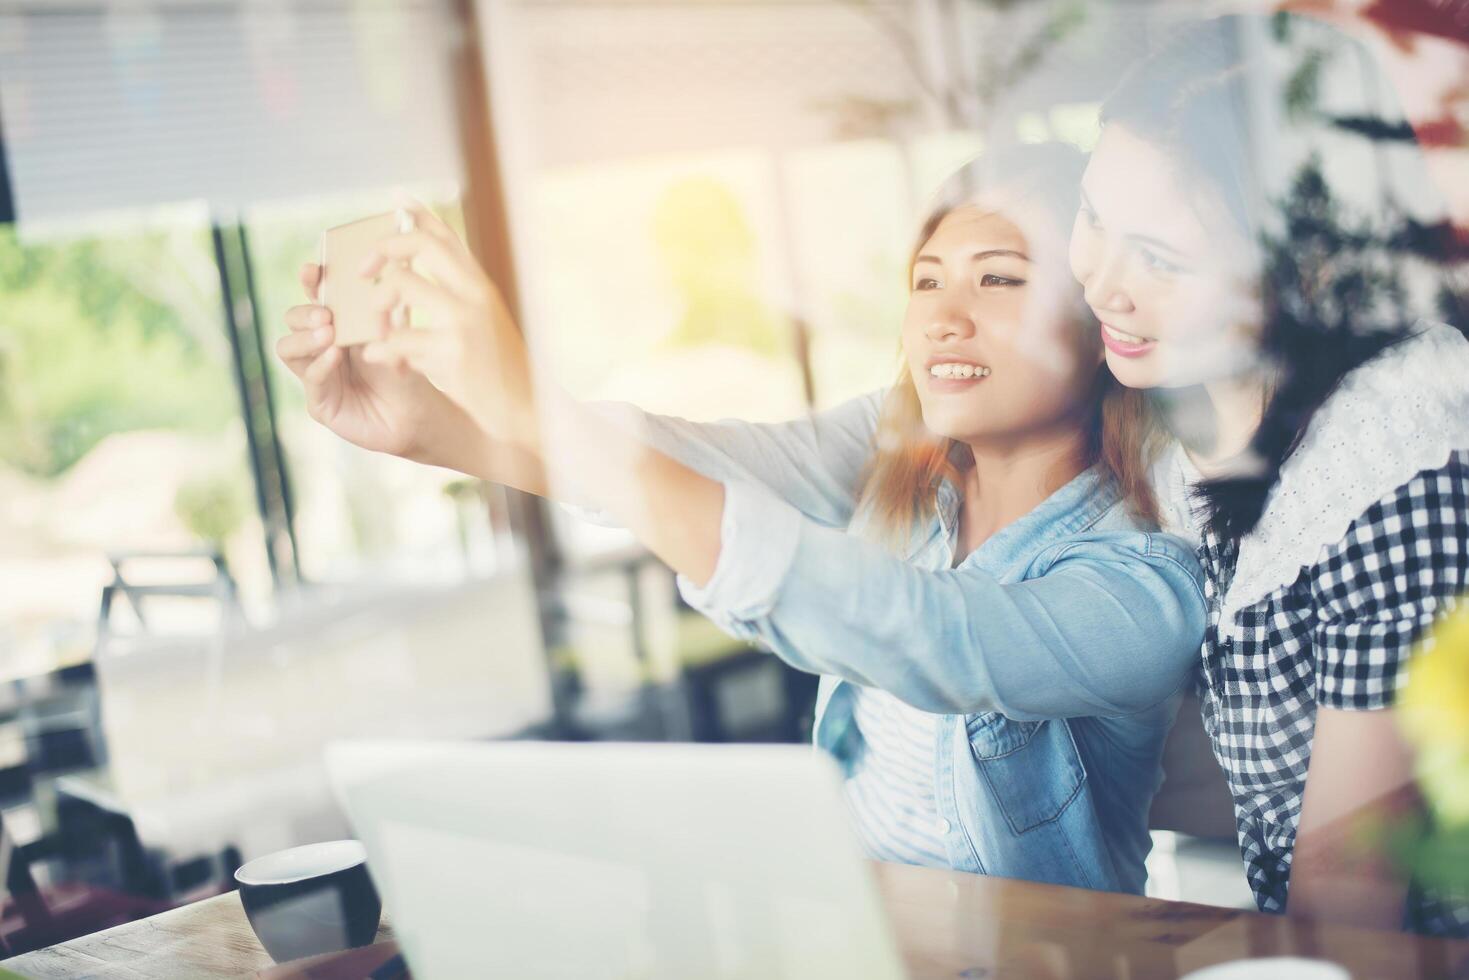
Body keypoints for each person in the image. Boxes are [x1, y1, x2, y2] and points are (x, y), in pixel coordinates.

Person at [276, 142, 1207, 894]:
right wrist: (437, 429)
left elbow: (921, 633)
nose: (940, 320)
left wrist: (526, 408)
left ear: (1098, 326)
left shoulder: (1141, 588)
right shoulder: (895, 457)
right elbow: (706, 467)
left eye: (997, 280)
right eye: (926, 281)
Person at [1068, 14, 1469, 934]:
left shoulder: (1399, 457)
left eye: (1161, 258)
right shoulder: (1171, 397)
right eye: (1093, 215)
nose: (1101, 282)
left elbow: (1352, 880)